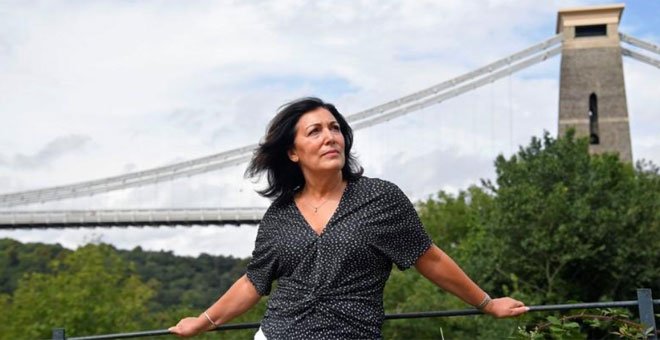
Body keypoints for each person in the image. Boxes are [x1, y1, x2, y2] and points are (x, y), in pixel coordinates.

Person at [169, 97, 528, 339]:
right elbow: (254, 282)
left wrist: (487, 303)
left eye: (335, 128)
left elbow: (428, 257)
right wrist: (203, 322)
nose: (330, 137)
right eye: (315, 131)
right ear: (293, 152)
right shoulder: (278, 216)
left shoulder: (380, 198)